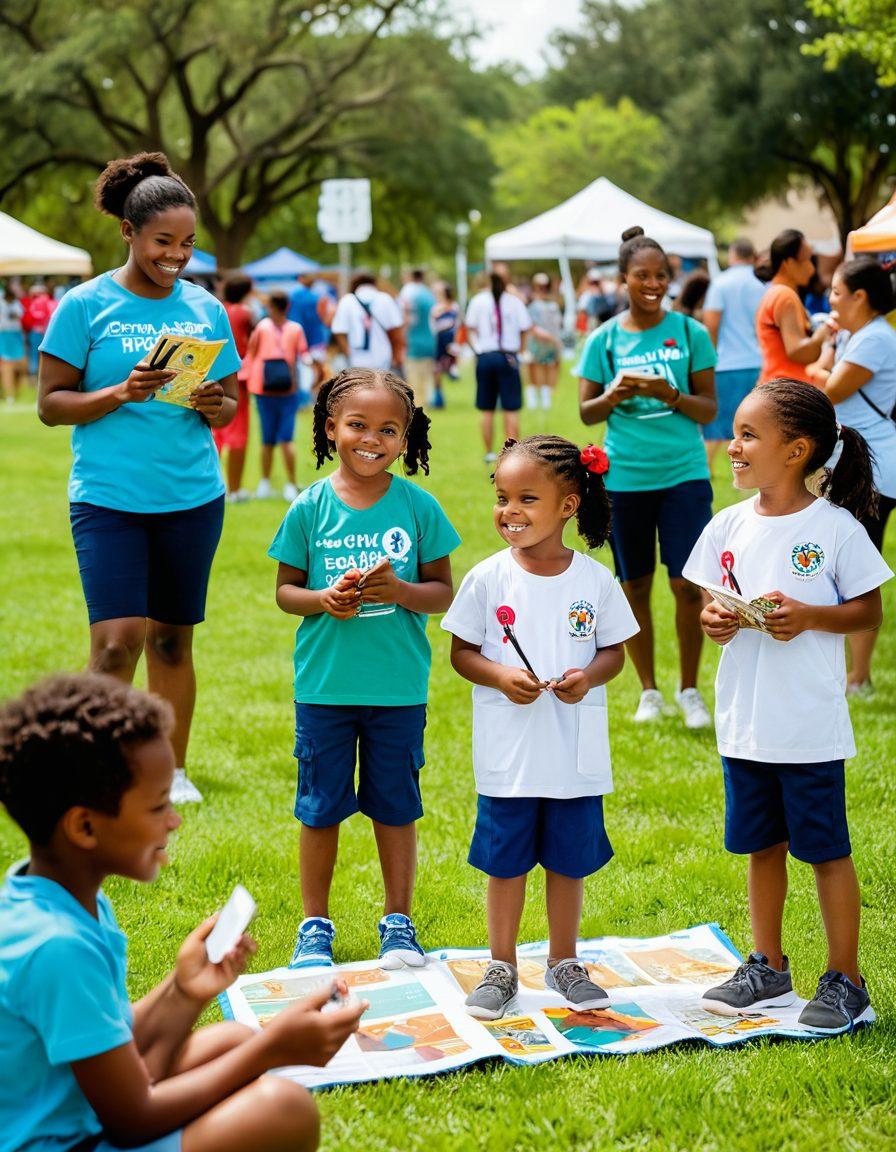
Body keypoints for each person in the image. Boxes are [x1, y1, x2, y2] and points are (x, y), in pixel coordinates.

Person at [0, 673, 366, 1152]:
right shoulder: (57, 947)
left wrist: (183, 989)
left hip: (86, 1112)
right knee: (284, 1108)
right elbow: (131, 1117)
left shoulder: (48, 895)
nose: (173, 820)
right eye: (157, 807)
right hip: (66, 1140)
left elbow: (113, 1043)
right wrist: (272, 1048)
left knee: (229, 1039)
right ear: (84, 827)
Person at [684, 379, 892, 1032]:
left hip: (808, 729)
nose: (733, 447)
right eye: (735, 433)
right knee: (761, 846)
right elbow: (709, 601)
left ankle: (845, 978)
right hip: (744, 725)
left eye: (748, 436)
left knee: (826, 851)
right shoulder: (727, 524)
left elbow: (867, 609)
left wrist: (808, 617)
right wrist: (718, 619)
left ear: (797, 449)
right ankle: (768, 966)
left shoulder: (833, 528)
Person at [36, 151, 241, 806]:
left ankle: (170, 772)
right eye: (162, 242)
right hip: (109, 499)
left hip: (191, 496)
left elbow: (231, 402)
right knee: (117, 643)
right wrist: (121, 392)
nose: (176, 256)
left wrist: (215, 404)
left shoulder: (205, 309)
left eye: (185, 243)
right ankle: (98, 767)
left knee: (172, 642)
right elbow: (50, 404)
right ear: (128, 232)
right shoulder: (84, 304)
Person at [268, 368, 461, 970]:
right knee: (320, 807)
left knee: (396, 806)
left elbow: (442, 594)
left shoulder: (418, 505)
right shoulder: (310, 507)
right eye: (357, 425)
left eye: (388, 429)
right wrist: (325, 598)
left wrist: (400, 590)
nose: (371, 439)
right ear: (332, 428)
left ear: (405, 438)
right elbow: (285, 593)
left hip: (397, 689)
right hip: (324, 689)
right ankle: (314, 925)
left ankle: (398, 921)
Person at [441, 436, 638, 1020]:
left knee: (568, 861)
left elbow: (615, 654)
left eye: (527, 498)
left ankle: (563, 960)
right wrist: (501, 676)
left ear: (569, 506)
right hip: (511, 753)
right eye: (502, 497)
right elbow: (462, 653)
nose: (510, 511)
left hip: (573, 752)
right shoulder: (486, 577)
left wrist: (588, 676)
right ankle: (500, 965)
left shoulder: (595, 581)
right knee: (505, 863)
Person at [577, 226, 718, 730]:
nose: (653, 284)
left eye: (661, 276)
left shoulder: (689, 333)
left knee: (686, 586)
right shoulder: (605, 338)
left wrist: (669, 393)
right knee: (634, 585)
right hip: (626, 479)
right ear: (623, 280)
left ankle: (689, 689)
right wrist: (615, 393)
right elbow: (587, 412)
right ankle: (650, 691)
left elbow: (709, 408)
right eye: (642, 276)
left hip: (684, 473)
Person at [819, 257, 896, 695]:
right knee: (842, 566)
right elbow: (822, 371)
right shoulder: (859, 335)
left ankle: (859, 677)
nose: (831, 299)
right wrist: (828, 349)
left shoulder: (876, 340)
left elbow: (827, 390)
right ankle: (851, 673)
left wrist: (820, 368)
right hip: (855, 463)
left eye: (835, 291)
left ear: (859, 296)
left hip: (873, 468)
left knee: (860, 571)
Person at [702, 239, 767, 470]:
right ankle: (754, 468)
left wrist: (708, 360)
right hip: (757, 361)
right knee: (755, 423)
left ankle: (706, 468)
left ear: (732, 255)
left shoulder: (720, 284)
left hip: (726, 364)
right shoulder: (761, 286)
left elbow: (711, 325)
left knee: (717, 422)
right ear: (752, 256)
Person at [246, 291, 307, 502]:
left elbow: (252, 353)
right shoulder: (296, 328)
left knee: (267, 439)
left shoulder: (262, 327)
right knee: (287, 439)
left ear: (272, 306)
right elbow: (303, 354)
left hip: (263, 388)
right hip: (288, 388)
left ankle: (264, 482)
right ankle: (291, 483)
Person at [465, 271, 532, 463]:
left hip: (486, 356)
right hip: (507, 356)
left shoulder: (478, 301)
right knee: (510, 409)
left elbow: (469, 328)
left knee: (487, 410)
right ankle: (512, 454)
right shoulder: (514, 301)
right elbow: (525, 328)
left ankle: (488, 452)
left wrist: (477, 349)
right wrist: (520, 351)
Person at [756, 229, 831, 386]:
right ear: (788, 263)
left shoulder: (775, 292)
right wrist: (824, 332)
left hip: (780, 387)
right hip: (787, 390)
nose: (811, 269)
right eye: (807, 260)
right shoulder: (785, 296)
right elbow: (797, 351)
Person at [213, 274, 255, 503]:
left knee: (216, 432)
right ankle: (235, 489)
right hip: (239, 376)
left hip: (215, 373)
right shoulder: (245, 312)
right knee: (239, 433)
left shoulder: (217, 308)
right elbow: (251, 342)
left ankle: (214, 484)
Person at [331, 271, 403, 373]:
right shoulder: (385, 298)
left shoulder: (347, 300)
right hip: (382, 358)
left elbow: (338, 330)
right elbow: (397, 330)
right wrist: (396, 355)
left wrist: (347, 351)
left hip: (356, 359)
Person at [399, 269, 437, 408]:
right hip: (429, 341)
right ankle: (426, 405)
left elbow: (404, 318)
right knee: (427, 379)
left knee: (413, 380)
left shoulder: (407, 292)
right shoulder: (429, 295)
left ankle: (416, 409)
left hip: (412, 342)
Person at [525, 273, 563, 412]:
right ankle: (533, 398)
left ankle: (546, 398)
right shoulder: (532, 304)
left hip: (550, 344)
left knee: (549, 369)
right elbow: (532, 326)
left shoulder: (553, 304)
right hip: (537, 343)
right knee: (534, 370)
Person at [288, 272, 329, 391]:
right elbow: (325, 319)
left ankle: (304, 396)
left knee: (302, 371)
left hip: (299, 340)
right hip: (317, 340)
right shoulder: (319, 297)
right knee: (318, 371)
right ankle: (314, 395)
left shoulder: (293, 296)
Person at [21, 281, 56, 377]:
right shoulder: (53, 302)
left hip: (36, 331)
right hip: (47, 332)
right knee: (46, 354)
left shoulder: (34, 302)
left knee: (34, 353)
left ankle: (33, 374)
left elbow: (31, 315)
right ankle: (44, 374)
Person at [431, 281, 459, 396]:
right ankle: (438, 395)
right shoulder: (434, 306)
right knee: (436, 367)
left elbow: (457, 324)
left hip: (449, 339)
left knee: (447, 362)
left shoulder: (453, 306)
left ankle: (452, 369)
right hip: (438, 340)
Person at [0, 283, 27, 404]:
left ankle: (13, 392)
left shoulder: (16, 303)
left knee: (19, 367)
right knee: (6, 367)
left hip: (16, 336)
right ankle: (8, 394)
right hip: (4, 336)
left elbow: (20, 314)